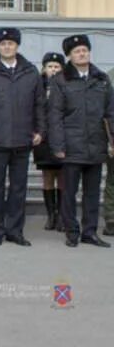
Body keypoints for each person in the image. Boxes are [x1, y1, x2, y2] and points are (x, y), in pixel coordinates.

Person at [0, 27, 45, 247]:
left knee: (18, 189)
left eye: (11, 43)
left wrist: (40, 131)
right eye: (3, 44)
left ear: (17, 46)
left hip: (23, 140)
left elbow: (39, 105)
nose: (7, 47)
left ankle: (15, 230)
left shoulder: (30, 72)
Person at [49, 35, 114, 248]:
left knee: (92, 193)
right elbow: (55, 115)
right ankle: (72, 231)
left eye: (84, 50)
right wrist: (57, 145)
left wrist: (112, 140)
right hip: (71, 145)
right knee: (69, 193)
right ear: (69, 55)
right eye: (77, 51)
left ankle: (90, 232)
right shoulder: (61, 80)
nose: (82, 53)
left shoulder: (102, 79)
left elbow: (110, 113)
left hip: (96, 144)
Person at [35, 52, 66, 231]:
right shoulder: (38, 86)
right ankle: (51, 215)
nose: (53, 69)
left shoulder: (67, 84)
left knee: (62, 177)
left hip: (61, 137)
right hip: (44, 139)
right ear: (44, 68)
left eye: (56, 66)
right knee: (47, 176)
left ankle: (61, 215)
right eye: (50, 66)